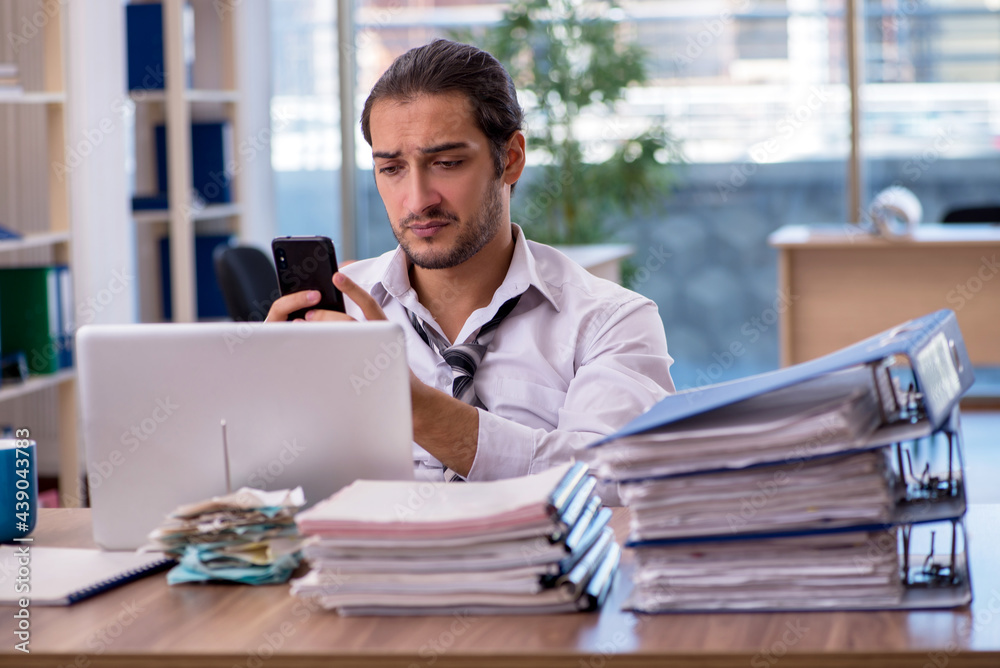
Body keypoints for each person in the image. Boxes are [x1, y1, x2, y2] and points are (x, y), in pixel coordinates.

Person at [267, 39, 674, 485]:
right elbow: (272, 492)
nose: (417, 200)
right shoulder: (337, 316)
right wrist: (270, 407)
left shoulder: (610, 322)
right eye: (392, 169)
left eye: (446, 162)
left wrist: (413, 406)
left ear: (511, 159)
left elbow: (615, 476)